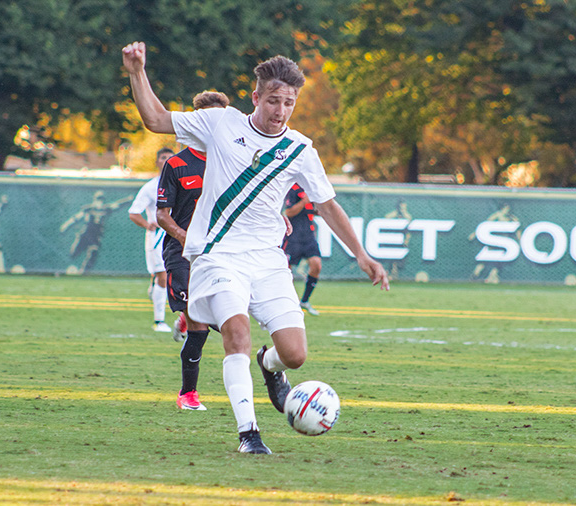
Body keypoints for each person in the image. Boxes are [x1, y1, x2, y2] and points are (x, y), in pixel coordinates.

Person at [122, 41, 390, 454]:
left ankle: (270, 366)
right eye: (272, 101)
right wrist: (137, 71)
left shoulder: (300, 148)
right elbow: (156, 119)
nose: (280, 111)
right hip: (216, 254)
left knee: (295, 355)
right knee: (236, 333)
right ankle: (249, 433)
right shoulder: (220, 122)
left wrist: (362, 254)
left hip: (267, 260)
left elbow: (327, 204)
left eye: (288, 103)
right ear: (255, 97)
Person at [157, 91, 230, 411]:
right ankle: (188, 395)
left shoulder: (232, 162)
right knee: (202, 327)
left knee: (228, 321)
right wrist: (185, 236)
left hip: (221, 255)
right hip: (181, 253)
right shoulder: (176, 164)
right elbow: (162, 214)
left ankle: (188, 317)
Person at [129, 147, 175, 333]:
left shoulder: (181, 183)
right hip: (157, 239)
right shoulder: (150, 187)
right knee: (163, 276)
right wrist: (148, 225)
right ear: (157, 162)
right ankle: (159, 321)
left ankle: (154, 282)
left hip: (177, 236)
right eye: (163, 158)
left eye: (170, 158)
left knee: (177, 277)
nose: (167, 161)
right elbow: (134, 213)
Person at [282, 183, 323, 316]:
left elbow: (313, 211)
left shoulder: (310, 188)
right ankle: (289, 303)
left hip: (309, 237)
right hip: (293, 237)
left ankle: (304, 301)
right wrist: (305, 201)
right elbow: (288, 212)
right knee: (287, 271)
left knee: (316, 265)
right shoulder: (293, 189)